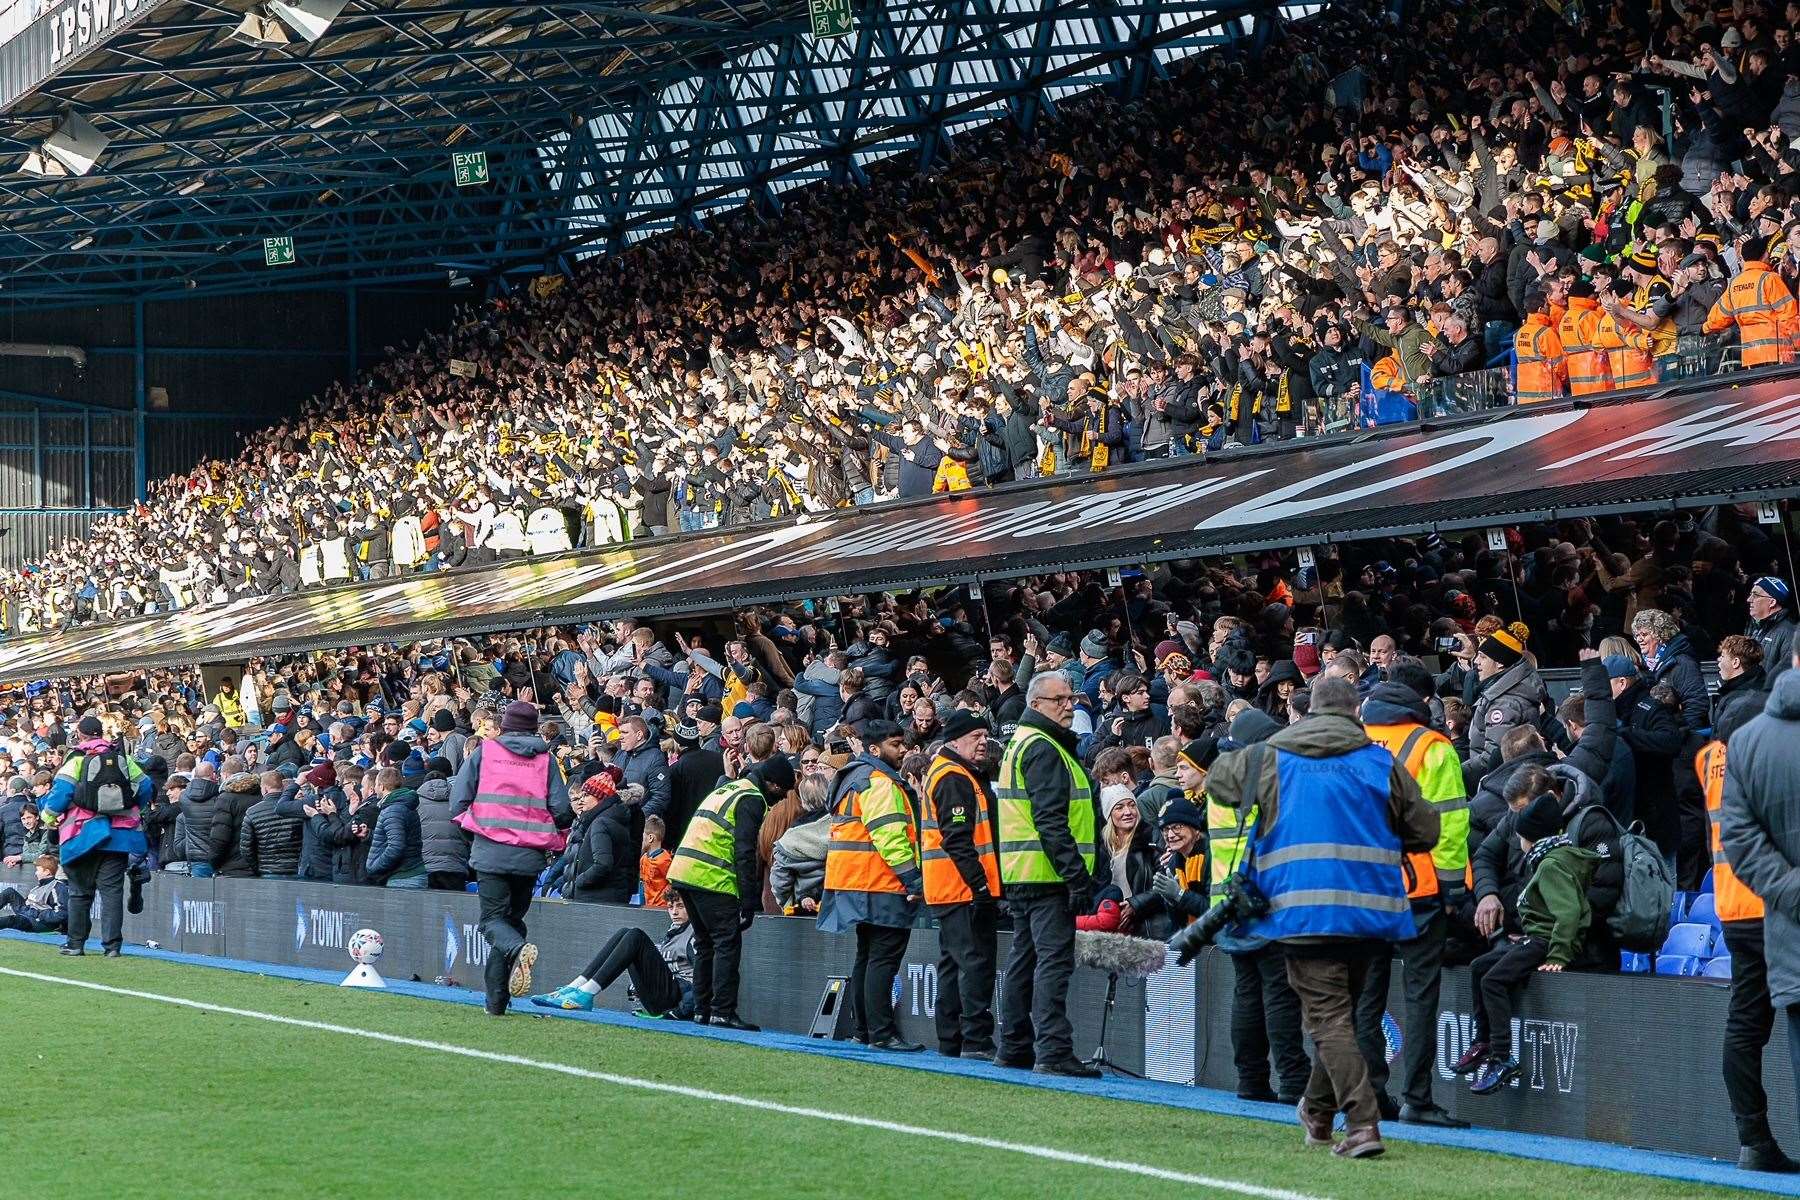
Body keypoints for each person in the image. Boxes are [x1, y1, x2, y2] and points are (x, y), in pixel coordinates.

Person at [1196, 676, 1437, 1159]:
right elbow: (1426, 830)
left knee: (1329, 1021)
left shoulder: (1269, 757)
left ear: (1306, 713)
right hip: (1372, 915)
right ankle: (1318, 1110)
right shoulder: (1379, 761)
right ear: (1356, 715)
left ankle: (1364, 1124)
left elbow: (1218, 780)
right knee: (1340, 1019)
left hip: (1300, 912)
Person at [1354, 681, 1470, 1128]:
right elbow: (1449, 825)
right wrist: (1452, 889)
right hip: (1415, 890)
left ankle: (1368, 1094)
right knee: (1420, 996)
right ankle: (1417, 1099)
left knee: (1366, 998)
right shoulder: (1433, 748)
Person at [1699, 697, 1799, 1173]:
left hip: (1731, 908)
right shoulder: (1758, 756)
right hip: (1774, 903)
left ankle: (1752, 1139)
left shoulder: (1709, 760)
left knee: (1744, 1026)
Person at [994, 673, 1101, 1079]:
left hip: (1025, 873)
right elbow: (1051, 822)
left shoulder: (1022, 743)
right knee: (1052, 962)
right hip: (1048, 874)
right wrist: (1077, 877)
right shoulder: (1043, 747)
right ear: (1036, 703)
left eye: (1071, 698)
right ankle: (1053, 1050)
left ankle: (1014, 1044)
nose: (1070, 705)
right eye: (1060, 700)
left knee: (1026, 959)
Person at [1457, 794, 1599, 1096]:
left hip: (1543, 942)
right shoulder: (1550, 859)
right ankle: (1482, 1041)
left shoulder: (1551, 865)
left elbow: (1569, 912)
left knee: (1493, 981)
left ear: (1530, 839)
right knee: (1479, 966)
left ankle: (1502, 1057)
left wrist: (1559, 953)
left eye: (1520, 837)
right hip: (1533, 938)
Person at [450, 701, 574, 1015]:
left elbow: (458, 804)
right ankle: (496, 1004)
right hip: (529, 858)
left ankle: (518, 952)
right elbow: (562, 811)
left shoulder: (485, 752)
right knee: (511, 924)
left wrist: (477, 835)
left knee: (493, 923)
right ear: (534, 727)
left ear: (504, 725)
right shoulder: (545, 760)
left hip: (490, 853)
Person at [819, 719, 924, 1051]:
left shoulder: (852, 777)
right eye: (896, 744)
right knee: (883, 959)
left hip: (852, 881)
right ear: (875, 748)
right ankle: (881, 1033)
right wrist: (913, 879)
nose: (903, 749)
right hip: (880, 881)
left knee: (867, 956)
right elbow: (890, 836)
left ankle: (864, 1030)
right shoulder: (879, 782)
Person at [668, 755, 791, 1030]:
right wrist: (749, 901)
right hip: (712, 876)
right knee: (726, 944)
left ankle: (702, 1010)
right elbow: (744, 851)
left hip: (685, 870)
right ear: (771, 785)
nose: (778, 801)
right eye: (780, 793)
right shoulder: (751, 798)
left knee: (705, 944)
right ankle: (723, 1012)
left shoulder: (728, 789)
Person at [921, 710, 1002, 1059]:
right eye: (975, 737)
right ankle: (975, 1040)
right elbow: (957, 839)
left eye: (985, 736)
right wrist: (980, 886)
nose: (983, 742)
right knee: (974, 963)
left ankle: (952, 1039)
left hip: (949, 887)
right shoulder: (955, 777)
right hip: (962, 888)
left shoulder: (953, 772)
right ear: (955, 740)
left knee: (954, 964)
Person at [41, 715, 154, 956]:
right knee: (112, 893)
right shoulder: (122, 758)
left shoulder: (76, 759)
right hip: (118, 836)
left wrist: (49, 818)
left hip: (81, 836)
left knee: (80, 893)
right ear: (101, 732)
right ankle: (112, 947)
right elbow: (146, 786)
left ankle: (76, 944)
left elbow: (61, 793)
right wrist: (131, 806)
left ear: (80, 735)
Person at [529, 890, 696, 1018]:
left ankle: (585, 994)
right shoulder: (673, 931)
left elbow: (705, 979)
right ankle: (574, 987)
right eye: (670, 907)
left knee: (636, 936)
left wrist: (683, 1010)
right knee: (624, 932)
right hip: (659, 997)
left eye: (680, 906)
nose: (674, 912)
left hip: (677, 1000)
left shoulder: (694, 935)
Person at [1747, 577, 1797, 685]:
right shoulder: (1757, 628)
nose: (1749, 599)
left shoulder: (1790, 633)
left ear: (1772, 602)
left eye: (1755, 595)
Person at [0, 854, 67, 933]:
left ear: (47, 872)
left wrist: (41, 914)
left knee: (11, 920)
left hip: (38, 921)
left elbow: (62, 913)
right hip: (28, 912)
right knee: (9, 892)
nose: (35, 873)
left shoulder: (57, 887)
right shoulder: (39, 885)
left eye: (38, 870)